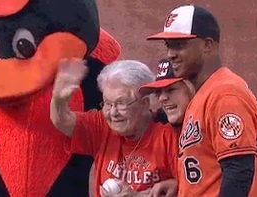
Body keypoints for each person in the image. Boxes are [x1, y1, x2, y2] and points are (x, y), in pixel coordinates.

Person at [146, 4, 257, 197]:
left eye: (179, 45)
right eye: (168, 45)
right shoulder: (202, 95)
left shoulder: (225, 93)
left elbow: (238, 172)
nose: (170, 54)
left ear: (207, 45)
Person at [140, 59, 257, 197]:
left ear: (190, 87)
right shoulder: (170, 121)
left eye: (171, 90)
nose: (162, 98)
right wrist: (176, 183)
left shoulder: (228, 108)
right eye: (158, 92)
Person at [50, 59, 178, 197]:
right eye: (107, 103)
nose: (113, 113)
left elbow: (190, 189)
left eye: (121, 103)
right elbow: (62, 121)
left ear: (144, 104)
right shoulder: (101, 126)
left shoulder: (168, 136)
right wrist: (58, 99)